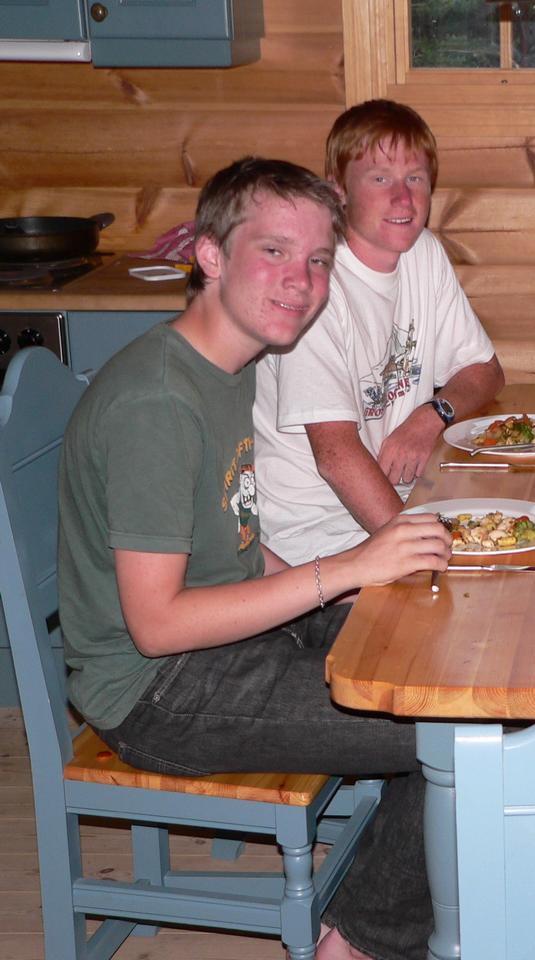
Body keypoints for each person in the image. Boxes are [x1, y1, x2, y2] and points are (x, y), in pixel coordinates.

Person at [58, 157, 453, 960]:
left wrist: (346, 585)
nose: (300, 282)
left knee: (446, 658)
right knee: (454, 729)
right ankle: (363, 941)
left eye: (317, 260)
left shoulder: (227, 365)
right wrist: (345, 571)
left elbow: (233, 537)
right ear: (210, 255)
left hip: (235, 636)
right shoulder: (158, 401)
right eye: (273, 251)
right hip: (157, 691)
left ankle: (398, 906)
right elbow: (157, 626)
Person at [254, 99, 504, 568]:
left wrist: (432, 416)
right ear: (338, 190)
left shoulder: (423, 253)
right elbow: (336, 458)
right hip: (317, 534)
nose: (403, 199)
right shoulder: (313, 285)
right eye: (380, 179)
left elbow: (485, 371)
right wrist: (429, 554)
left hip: (404, 500)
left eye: (416, 178)